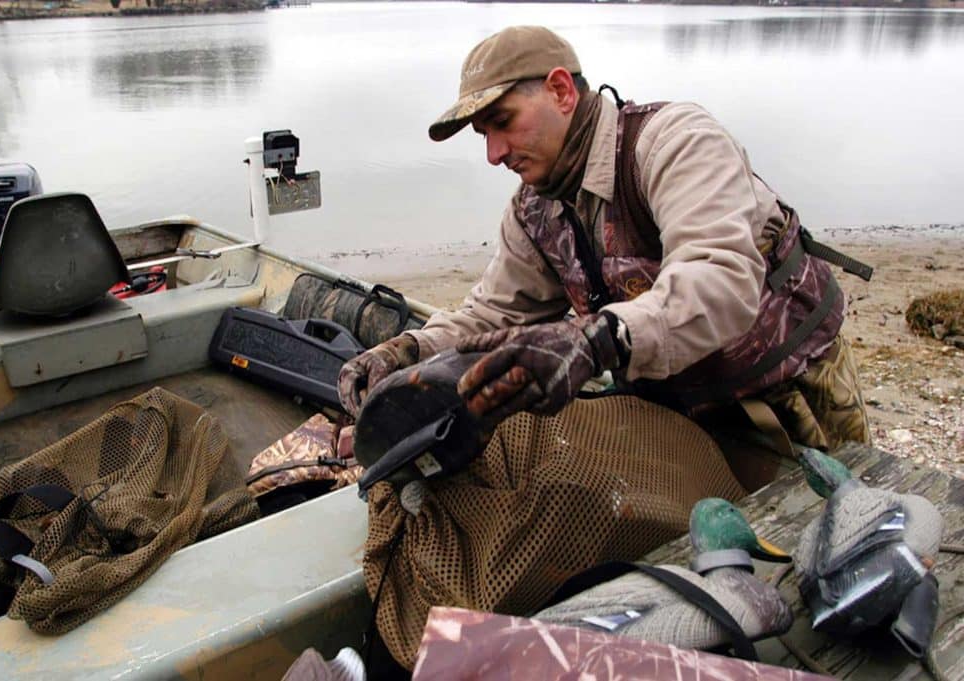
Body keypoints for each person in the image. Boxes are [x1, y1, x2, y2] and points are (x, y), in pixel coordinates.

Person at [339, 24, 870, 459]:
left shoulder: (674, 142)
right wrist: (409, 350)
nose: (494, 154)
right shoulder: (534, 209)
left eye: (502, 123)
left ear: (561, 91)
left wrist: (596, 341)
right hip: (679, 416)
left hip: (794, 397)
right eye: (484, 135)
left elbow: (721, 280)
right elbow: (494, 313)